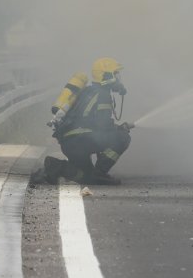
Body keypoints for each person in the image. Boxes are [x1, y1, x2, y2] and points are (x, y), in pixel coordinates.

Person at [42, 57, 132, 186]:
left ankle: (57, 167)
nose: (118, 79)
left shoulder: (87, 91)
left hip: (71, 143)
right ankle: (100, 172)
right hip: (82, 141)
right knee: (123, 137)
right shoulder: (103, 95)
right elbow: (102, 125)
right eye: (115, 74)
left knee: (86, 177)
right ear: (106, 75)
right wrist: (120, 129)